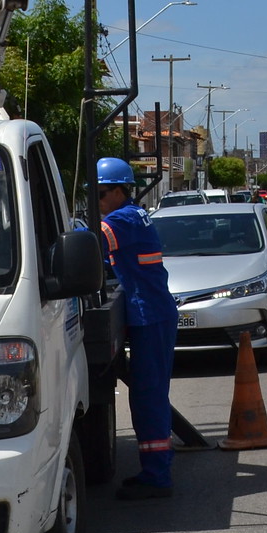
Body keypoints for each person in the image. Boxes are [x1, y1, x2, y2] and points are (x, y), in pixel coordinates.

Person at [95, 158, 174, 501]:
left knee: (148, 395)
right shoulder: (132, 215)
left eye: (99, 193)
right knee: (147, 393)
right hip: (151, 313)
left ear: (118, 190)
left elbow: (91, 240)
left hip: (150, 314)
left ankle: (157, 475)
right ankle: (158, 466)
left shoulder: (121, 220)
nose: (96, 201)